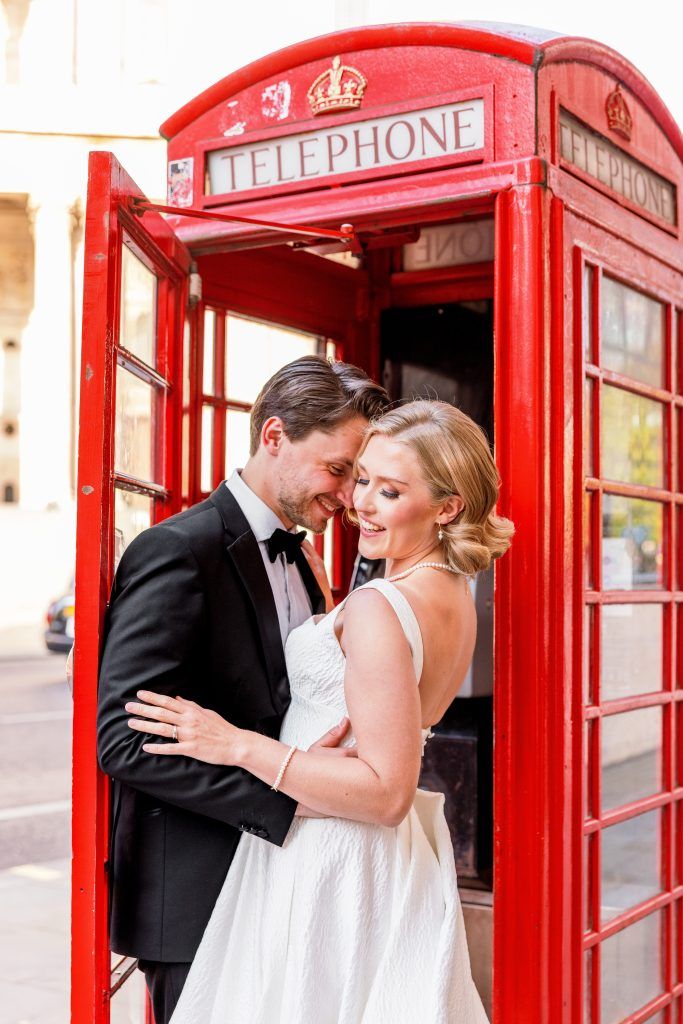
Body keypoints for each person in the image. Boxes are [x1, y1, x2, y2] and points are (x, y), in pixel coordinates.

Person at [126, 400, 515, 1023]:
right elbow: (374, 687)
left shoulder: (379, 608)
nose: (359, 502)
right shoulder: (450, 594)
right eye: (361, 478)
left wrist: (236, 744)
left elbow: (386, 792)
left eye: (389, 491)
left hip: (328, 851)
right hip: (379, 857)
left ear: (447, 507)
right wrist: (333, 612)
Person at [96, 355, 389, 1024]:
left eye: (361, 478)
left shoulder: (304, 557)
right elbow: (123, 742)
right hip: (195, 890)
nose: (349, 498)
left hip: (280, 877)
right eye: (339, 470)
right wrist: (288, 800)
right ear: (275, 436)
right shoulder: (179, 550)